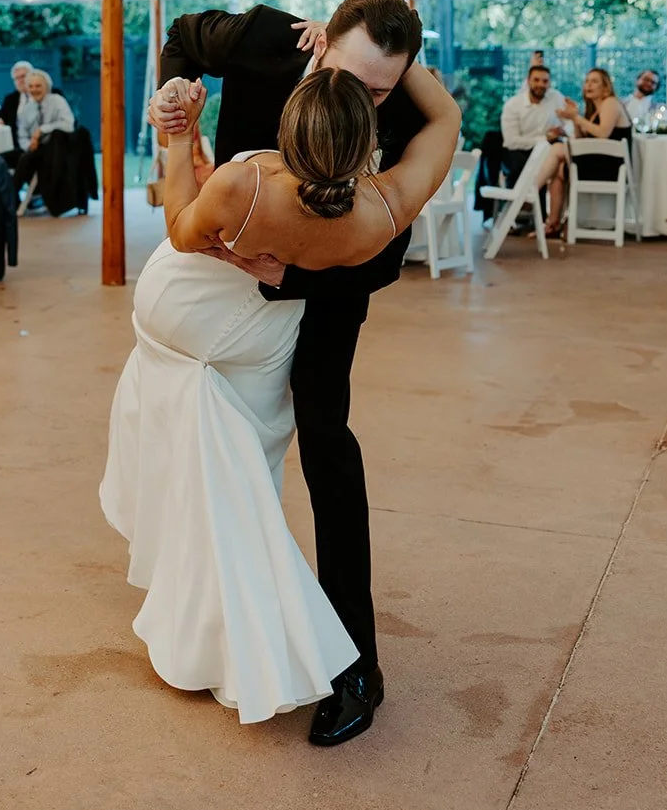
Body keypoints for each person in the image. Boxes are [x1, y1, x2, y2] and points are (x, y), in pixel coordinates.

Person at [104, 52, 459, 733]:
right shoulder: (381, 209)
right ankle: (210, 611)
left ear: (289, 126)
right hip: (238, 347)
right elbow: (444, 119)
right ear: (366, 144)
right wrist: (406, 56)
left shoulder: (247, 182)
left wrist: (181, 138)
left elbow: (180, 227)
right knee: (231, 482)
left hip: (206, 334)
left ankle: (249, 634)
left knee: (228, 481)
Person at [499, 64, 568, 236]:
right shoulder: (513, 105)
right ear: (528, 81)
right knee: (522, 164)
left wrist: (563, 130)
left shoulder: (556, 98)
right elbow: (511, 141)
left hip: (547, 150)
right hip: (518, 150)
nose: (541, 84)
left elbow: (569, 124)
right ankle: (521, 212)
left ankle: (546, 219)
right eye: (536, 80)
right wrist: (544, 139)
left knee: (556, 163)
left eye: (545, 81)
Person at [557, 69, 632, 182]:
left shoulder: (610, 102)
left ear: (606, 87)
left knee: (557, 150)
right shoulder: (593, 110)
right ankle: (534, 188)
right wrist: (574, 119)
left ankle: (532, 187)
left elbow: (603, 133)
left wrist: (577, 118)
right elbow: (580, 139)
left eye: (594, 81)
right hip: (596, 160)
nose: (589, 85)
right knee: (558, 168)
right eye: (587, 81)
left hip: (610, 167)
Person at [13, 70, 75, 198]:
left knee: (25, 160)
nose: (34, 90)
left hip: (54, 149)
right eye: (31, 86)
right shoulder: (27, 108)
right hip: (33, 148)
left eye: (38, 86)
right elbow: (22, 135)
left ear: (46, 86)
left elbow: (69, 125)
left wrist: (42, 130)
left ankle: (12, 199)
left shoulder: (57, 101)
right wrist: (29, 146)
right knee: (3, 159)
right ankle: (10, 198)